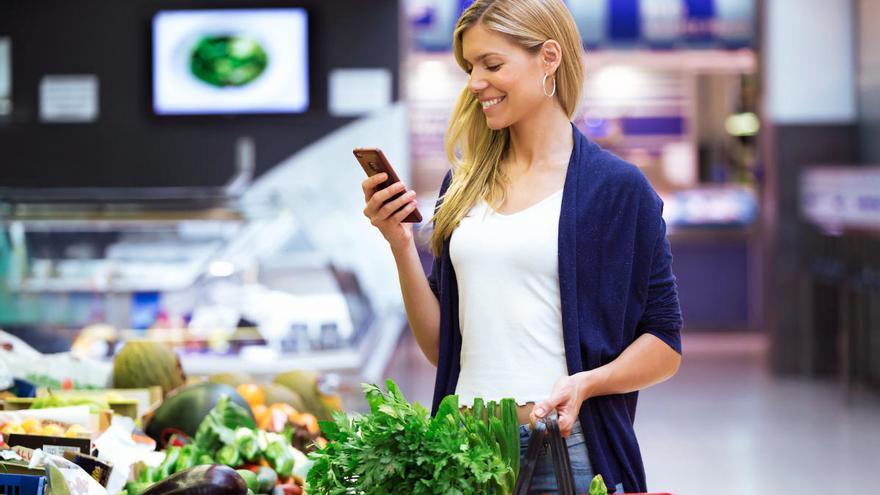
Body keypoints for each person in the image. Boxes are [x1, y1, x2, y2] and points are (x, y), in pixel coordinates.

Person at [361, 0, 683, 493]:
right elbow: (441, 347)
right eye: (470, 67)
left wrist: (588, 383)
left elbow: (664, 346)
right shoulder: (462, 185)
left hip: (564, 449)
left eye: (492, 65)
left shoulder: (618, 190)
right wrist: (401, 244)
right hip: (461, 452)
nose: (474, 83)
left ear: (548, 57)